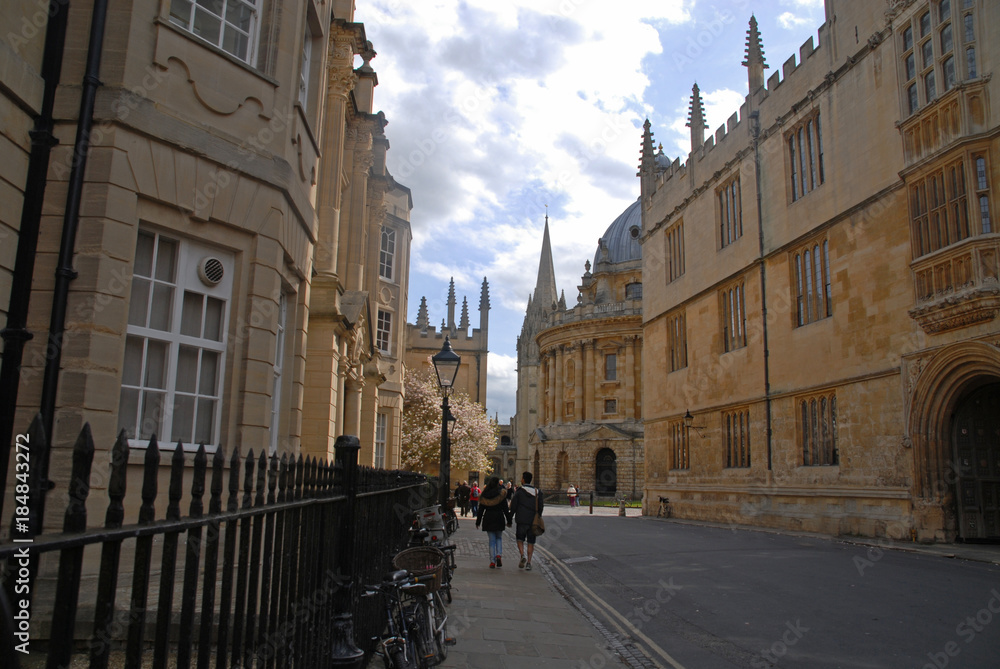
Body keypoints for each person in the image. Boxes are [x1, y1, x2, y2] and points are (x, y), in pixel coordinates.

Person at [509, 471, 544, 571]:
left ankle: (522, 555)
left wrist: (510, 518)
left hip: (521, 519)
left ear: (523, 479)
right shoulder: (537, 492)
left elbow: (514, 506)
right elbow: (541, 506)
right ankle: (529, 562)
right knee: (531, 542)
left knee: (520, 539)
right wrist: (538, 516)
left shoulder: (519, 491)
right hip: (533, 521)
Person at [475, 477, 511, 568]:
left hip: (489, 518)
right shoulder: (501, 493)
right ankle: (498, 555)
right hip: (499, 517)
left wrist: (478, 522)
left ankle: (492, 561)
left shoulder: (485, 494)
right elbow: (506, 509)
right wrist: (509, 520)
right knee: (499, 538)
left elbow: (481, 510)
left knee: (492, 541)